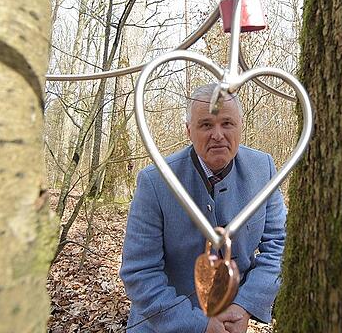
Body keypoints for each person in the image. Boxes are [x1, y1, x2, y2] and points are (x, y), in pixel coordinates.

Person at [120, 83, 287, 332]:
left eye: (227, 123)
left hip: (231, 321)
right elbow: (140, 272)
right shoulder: (155, 181)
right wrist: (199, 325)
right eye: (206, 125)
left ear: (241, 125)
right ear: (189, 130)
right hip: (162, 326)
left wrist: (245, 305)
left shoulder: (263, 170)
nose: (218, 134)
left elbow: (279, 246)